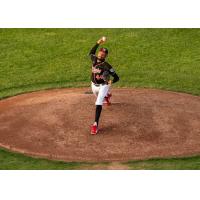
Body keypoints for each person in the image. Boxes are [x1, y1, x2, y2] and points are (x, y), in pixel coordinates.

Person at [89, 36, 120, 135]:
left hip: (103, 85)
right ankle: (107, 96)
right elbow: (91, 52)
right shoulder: (94, 59)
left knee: (98, 103)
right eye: (100, 52)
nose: (101, 54)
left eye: (103, 53)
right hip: (93, 85)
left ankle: (95, 125)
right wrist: (98, 42)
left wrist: (111, 82)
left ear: (105, 56)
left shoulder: (107, 66)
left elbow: (116, 77)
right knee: (98, 97)